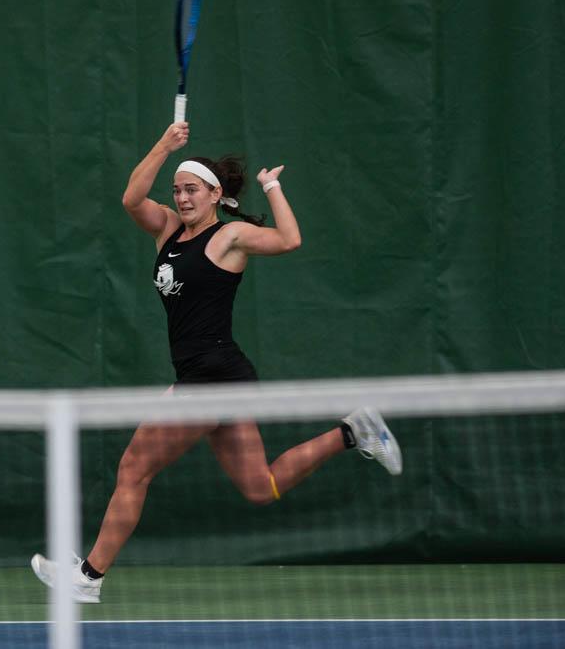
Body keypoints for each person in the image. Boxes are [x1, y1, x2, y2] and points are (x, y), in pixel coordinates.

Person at [31, 122, 402, 603]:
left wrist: (272, 186)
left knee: (134, 470)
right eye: (178, 190)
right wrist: (166, 146)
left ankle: (89, 575)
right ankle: (354, 432)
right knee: (260, 487)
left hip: (213, 378)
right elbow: (130, 199)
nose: (182, 198)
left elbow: (290, 239)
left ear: (214, 195)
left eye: (192, 190)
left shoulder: (230, 238)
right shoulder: (166, 230)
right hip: (214, 378)